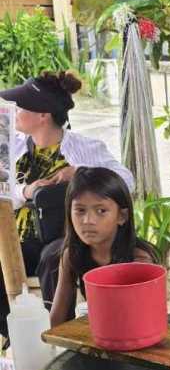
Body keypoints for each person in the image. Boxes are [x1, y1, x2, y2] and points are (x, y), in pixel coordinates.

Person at [0, 71, 134, 337]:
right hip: (20, 237)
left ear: (43, 115)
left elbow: (126, 180)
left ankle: (62, 334)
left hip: (64, 234)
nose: (15, 112)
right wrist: (25, 190)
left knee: (54, 259)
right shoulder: (12, 148)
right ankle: (15, 334)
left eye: (22, 108)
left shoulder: (84, 147)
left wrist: (81, 172)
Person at [50, 167, 157, 327]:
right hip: (97, 334)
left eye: (101, 211)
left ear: (121, 216)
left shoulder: (139, 260)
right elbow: (57, 318)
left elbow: (144, 320)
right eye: (80, 210)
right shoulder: (72, 255)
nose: (88, 220)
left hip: (134, 336)